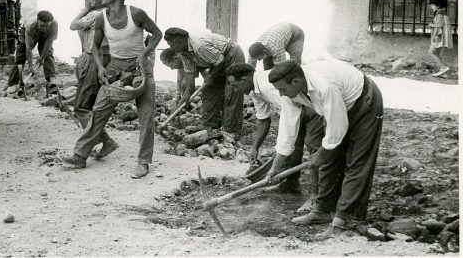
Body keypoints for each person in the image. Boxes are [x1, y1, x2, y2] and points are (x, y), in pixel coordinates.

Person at [265, 59, 383, 234]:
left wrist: (322, 152)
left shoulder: (324, 85)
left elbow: (337, 127)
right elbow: (287, 130)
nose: (281, 94)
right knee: (329, 161)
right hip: (336, 108)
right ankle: (322, 210)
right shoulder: (290, 93)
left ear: (296, 81)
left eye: (282, 89)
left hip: (363, 101)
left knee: (356, 162)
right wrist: (275, 167)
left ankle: (344, 220)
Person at [61, 0, 162, 179]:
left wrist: (145, 54)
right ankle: (80, 155)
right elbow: (96, 46)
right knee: (98, 111)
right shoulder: (101, 18)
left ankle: (143, 163)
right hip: (115, 67)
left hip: (140, 68)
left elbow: (158, 34)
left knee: (146, 117)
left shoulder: (136, 14)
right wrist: (99, 67)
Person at [226, 63, 324, 209]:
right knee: (291, 145)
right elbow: (264, 120)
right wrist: (255, 147)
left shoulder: (267, 84)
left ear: (245, 80)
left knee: (314, 147)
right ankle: (291, 184)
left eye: (235, 85)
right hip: (293, 109)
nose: (235, 89)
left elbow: (290, 105)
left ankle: (316, 198)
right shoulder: (254, 92)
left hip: (311, 107)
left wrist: (279, 158)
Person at [164, 28, 245, 134]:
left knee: (232, 91)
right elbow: (190, 86)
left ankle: (231, 130)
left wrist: (210, 76)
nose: (171, 47)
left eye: (171, 44)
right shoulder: (184, 53)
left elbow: (220, 61)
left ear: (179, 41)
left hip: (231, 54)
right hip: (217, 60)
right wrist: (180, 105)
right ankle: (210, 124)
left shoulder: (199, 46)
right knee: (209, 89)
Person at [69, 0, 108, 127]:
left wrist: (86, 8)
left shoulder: (94, 15)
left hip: (94, 59)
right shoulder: (109, 13)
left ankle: (100, 140)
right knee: (90, 104)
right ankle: (95, 139)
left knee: (82, 108)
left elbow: (73, 25)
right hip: (100, 58)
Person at [7, 10, 58, 92]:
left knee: (48, 54)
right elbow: (29, 49)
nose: (44, 28)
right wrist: (30, 66)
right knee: (20, 56)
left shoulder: (54, 24)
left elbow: (49, 42)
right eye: (42, 25)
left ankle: (51, 80)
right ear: (37, 21)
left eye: (46, 26)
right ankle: (12, 83)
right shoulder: (30, 26)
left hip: (45, 36)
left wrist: (42, 58)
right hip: (28, 33)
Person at [427, 0, 453, 77]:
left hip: (439, 37)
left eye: (432, 5)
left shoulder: (439, 13)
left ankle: (443, 67)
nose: (431, 7)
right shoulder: (443, 13)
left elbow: (440, 24)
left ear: (437, 5)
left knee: (431, 52)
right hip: (444, 37)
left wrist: (431, 24)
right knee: (439, 55)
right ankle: (443, 72)